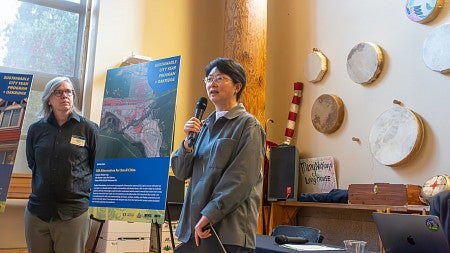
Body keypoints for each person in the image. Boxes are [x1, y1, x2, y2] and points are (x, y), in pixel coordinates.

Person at [171, 57, 266, 253]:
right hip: (194, 228)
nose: (212, 84)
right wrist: (187, 145)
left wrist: (208, 216)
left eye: (220, 78)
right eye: (208, 79)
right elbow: (180, 172)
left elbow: (240, 180)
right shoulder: (202, 126)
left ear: (237, 86)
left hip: (228, 233)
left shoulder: (249, 126)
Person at [24, 77, 98, 253]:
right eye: (59, 92)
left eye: (69, 92)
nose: (65, 95)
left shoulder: (89, 129)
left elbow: (96, 166)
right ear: (49, 99)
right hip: (37, 213)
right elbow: (32, 162)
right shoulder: (36, 129)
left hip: (73, 213)